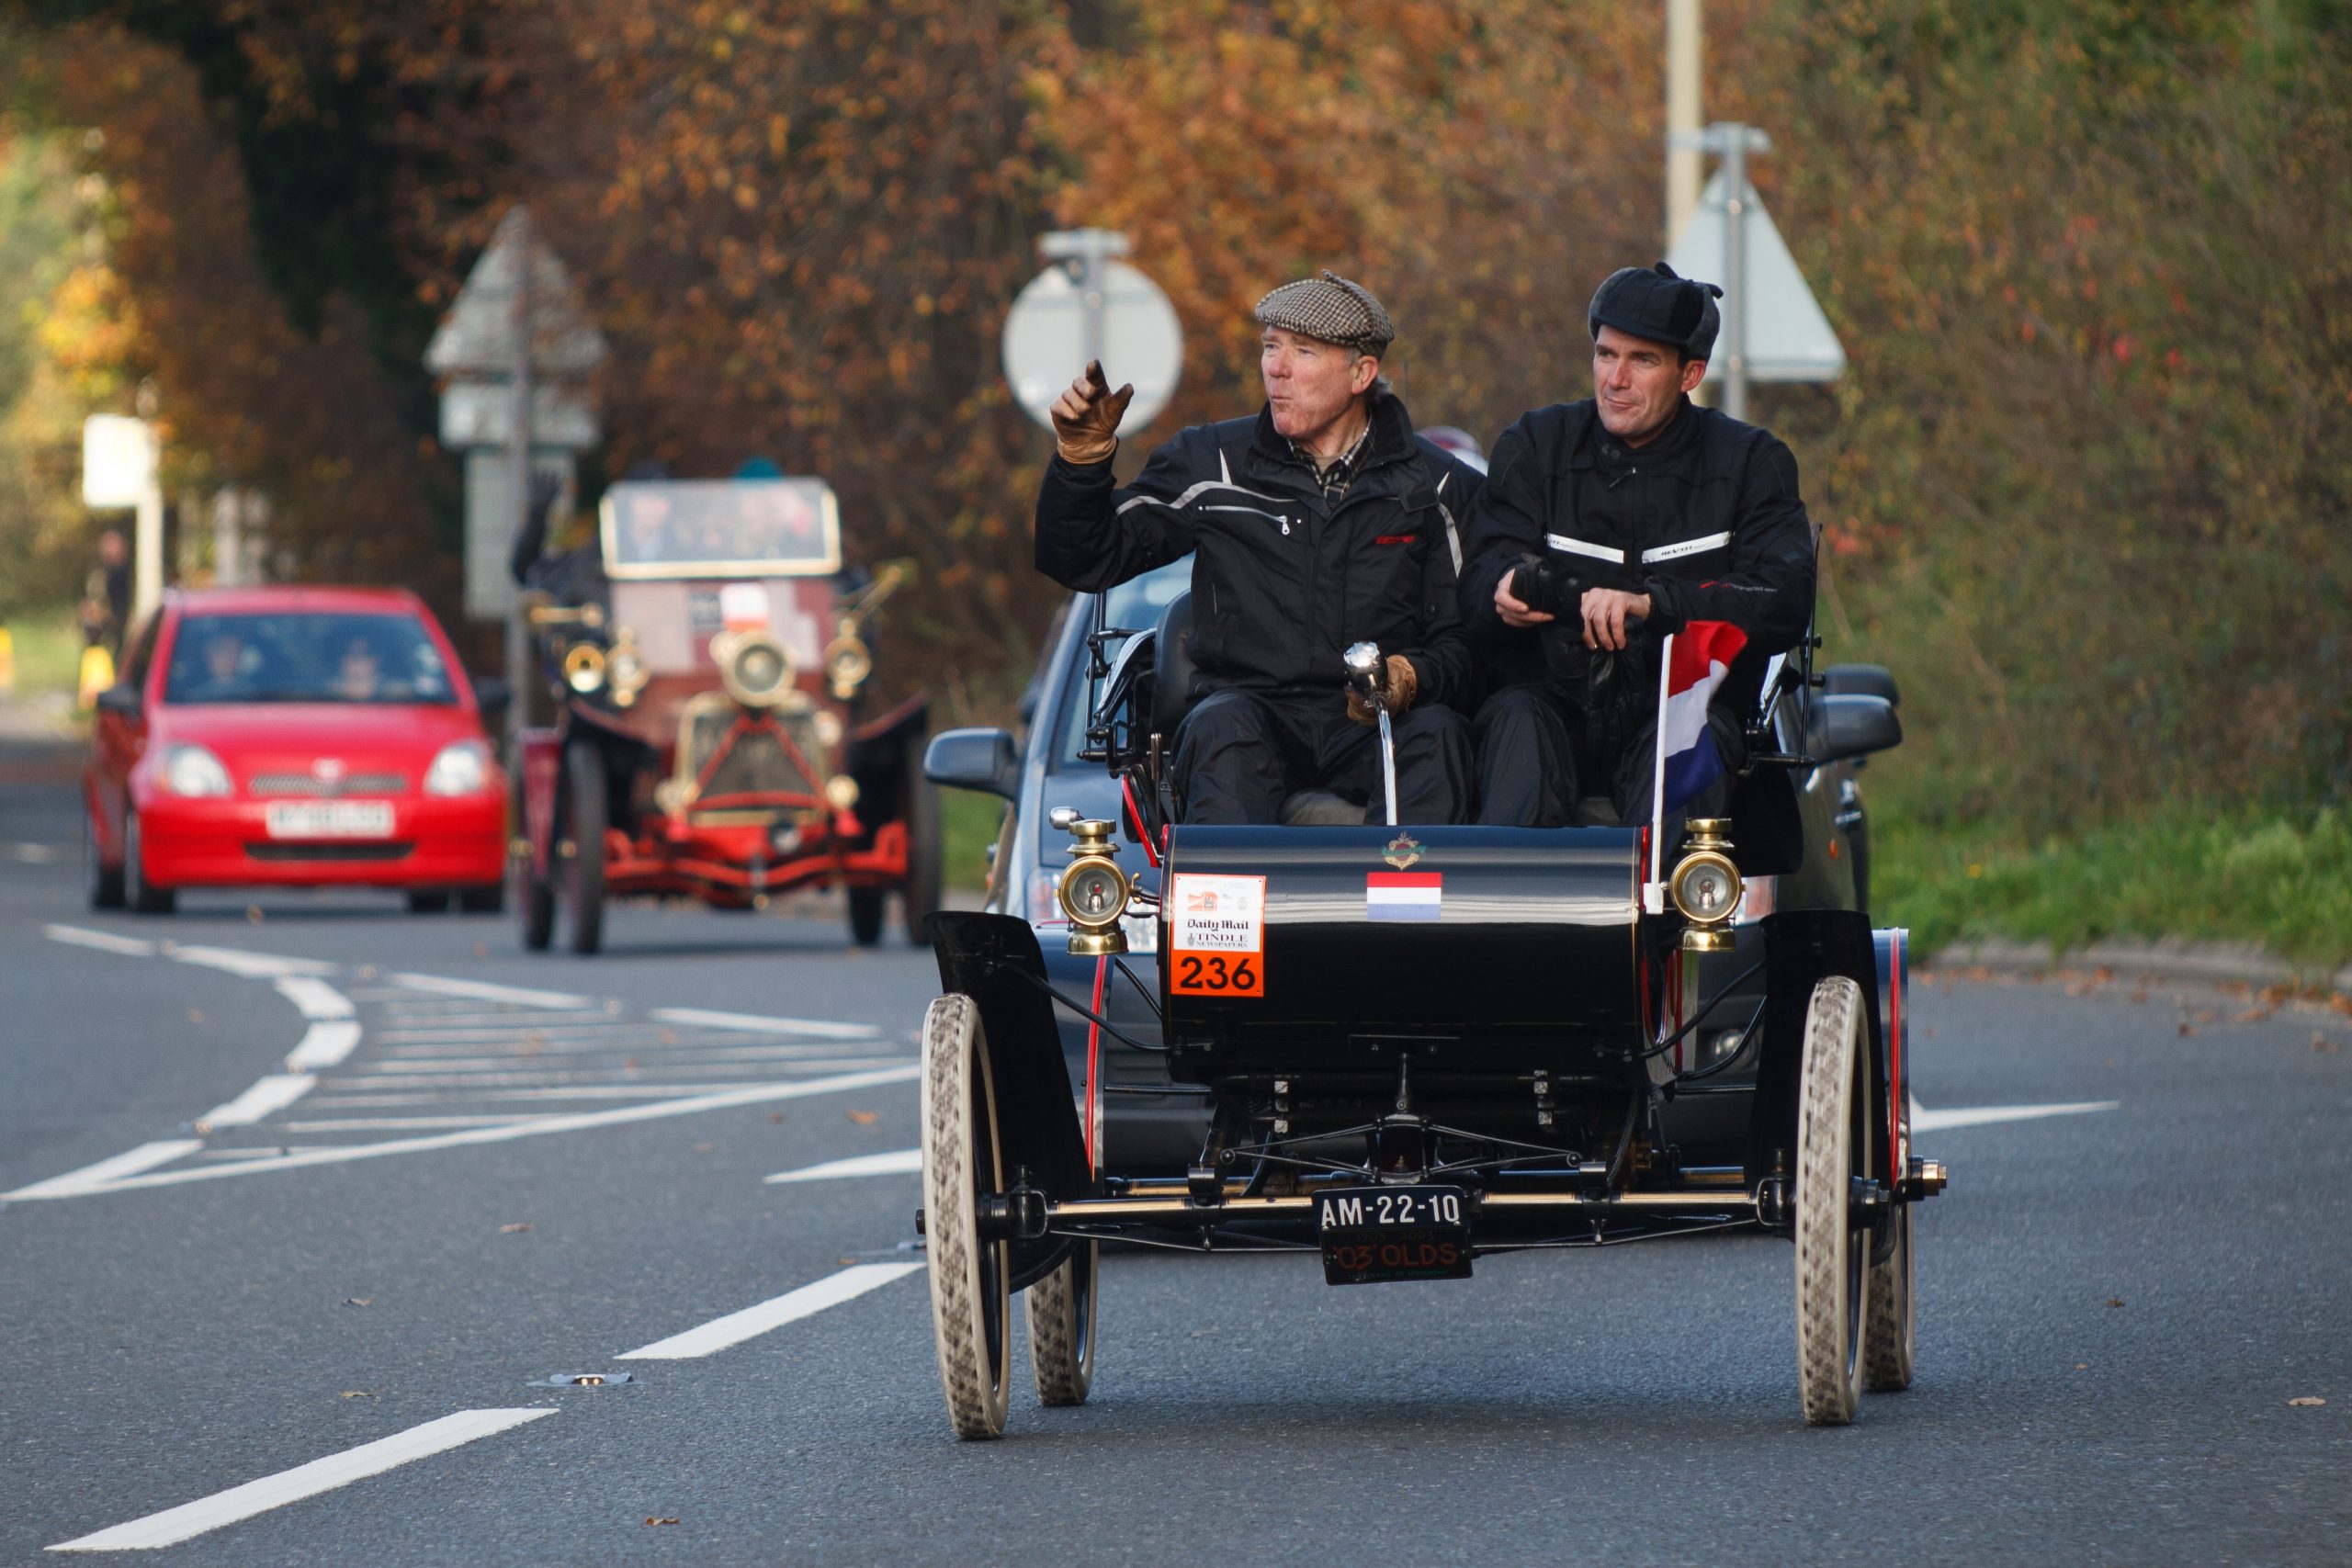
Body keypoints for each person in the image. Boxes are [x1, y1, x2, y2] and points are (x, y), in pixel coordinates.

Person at [1035, 270, 1481, 825]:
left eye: (1303, 350)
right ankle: (1226, 887)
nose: (1276, 367)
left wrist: (1409, 678)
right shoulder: (1212, 462)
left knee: (1439, 735)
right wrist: (1079, 464)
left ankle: (1403, 886)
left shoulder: (1439, 488)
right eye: (1271, 346)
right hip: (1247, 718)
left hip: (1377, 721)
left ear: (1361, 373)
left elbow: (1471, 645)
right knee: (1223, 730)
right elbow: (1084, 558)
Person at [1459, 263, 1816, 826]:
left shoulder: (1751, 462)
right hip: (1546, 705)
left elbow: (1783, 598)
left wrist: (1655, 605)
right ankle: (1513, 884)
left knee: (1690, 742)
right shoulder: (1534, 445)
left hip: (1683, 707)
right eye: (1605, 354)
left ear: (1690, 373)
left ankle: (1667, 889)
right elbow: (1478, 576)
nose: (1615, 379)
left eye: (1642, 360)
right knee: (1517, 728)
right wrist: (1500, 589)